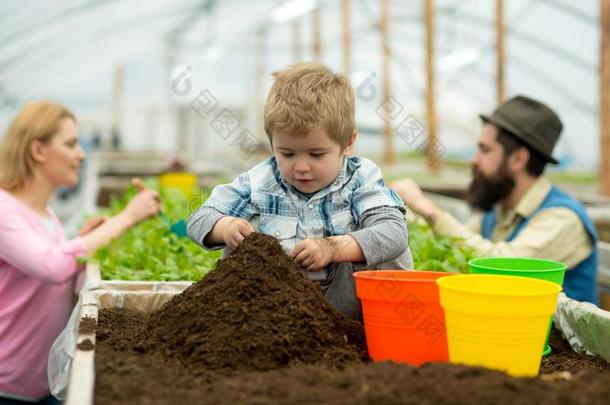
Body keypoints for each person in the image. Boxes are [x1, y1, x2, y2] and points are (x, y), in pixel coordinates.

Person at [188, 62, 413, 319]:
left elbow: (394, 233)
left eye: (317, 154)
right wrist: (225, 226)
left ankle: (386, 322)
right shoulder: (260, 181)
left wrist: (333, 248)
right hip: (278, 308)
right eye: (287, 153)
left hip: (348, 307)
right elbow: (198, 219)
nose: (302, 167)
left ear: (348, 143)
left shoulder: (361, 178)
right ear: (272, 142)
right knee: (235, 233)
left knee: (385, 241)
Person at [0, 101, 161, 404]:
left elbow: (58, 270)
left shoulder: (45, 212)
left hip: (45, 382)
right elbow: (52, 266)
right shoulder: (3, 208)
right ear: (38, 151)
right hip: (8, 389)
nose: (81, 154)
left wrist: (86, 239)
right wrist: (125, 217)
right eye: (71, 143)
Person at [391, 95, 598, 304]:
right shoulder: (499, 210)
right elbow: (452, 246)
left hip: (555, 336)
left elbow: (504, 268)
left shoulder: (563, 219)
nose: (474, 159)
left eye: (485, 149)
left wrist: (429, 210)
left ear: (518, 159)